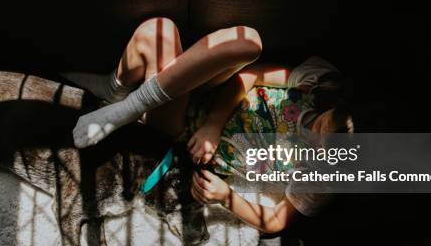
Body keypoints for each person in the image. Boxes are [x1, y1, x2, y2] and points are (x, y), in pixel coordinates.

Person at [65, 17, 352, 234]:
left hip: (182, 131)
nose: (316, 142)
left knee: (157, 31)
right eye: (324, 129)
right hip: (204, 91)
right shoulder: (323, 84)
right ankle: (119, 98)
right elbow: (250, 76)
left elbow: (276, 221)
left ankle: (124, 105)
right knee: (245, 41)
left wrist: (226, 197)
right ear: (338, 105)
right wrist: (214, 123)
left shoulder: (327, 177)